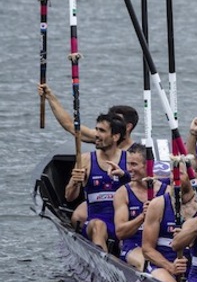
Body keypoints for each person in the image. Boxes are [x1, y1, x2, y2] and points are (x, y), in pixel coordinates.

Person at [64, 113, 128, 252]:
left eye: (102, 131)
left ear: (115, 137)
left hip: (123, 223)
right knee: (99, 226)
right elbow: (69, 197)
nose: (96, 135)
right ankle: (102, 260)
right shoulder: (85, 160)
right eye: (96, 129)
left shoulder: (128, 160)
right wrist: (74, 182)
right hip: (96, 223)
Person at [113, 143, 167, 270]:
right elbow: (120, 233)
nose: (129, 169)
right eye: (128, 164)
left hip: (160, 246)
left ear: (148, 165)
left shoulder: (166, 192)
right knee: (146, 264)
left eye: (134, 164)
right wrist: (143, 217)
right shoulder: (123, 193)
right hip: (134, 246)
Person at [37, 83, 138, 148]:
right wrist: (50, 97)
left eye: (116, 120)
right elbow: (70, 125)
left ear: (128, 127)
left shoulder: (135, 152)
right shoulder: (102, 138)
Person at [141, 189, 188, 282]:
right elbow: (147, 250)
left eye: (181, 173)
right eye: (173, 173)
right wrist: (171, 267)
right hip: (162, 266)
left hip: (193, 271)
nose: (173, 176)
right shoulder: (158, 204)